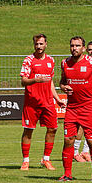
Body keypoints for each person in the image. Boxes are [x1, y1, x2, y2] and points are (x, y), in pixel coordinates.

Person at [58, 36, 92, 182]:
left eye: (77, 46)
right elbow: (62, 82)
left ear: (83, 48)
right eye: (72, 46)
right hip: (72, 108)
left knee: (91, 140)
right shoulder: (65, 63)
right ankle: (67, 174)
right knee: (68, 139)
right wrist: (63, 87)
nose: (74, 48)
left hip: (89, 108)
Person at [20, 34, 66, 172]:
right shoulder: (29, 60)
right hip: (32, 102)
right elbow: (23, 81)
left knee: (53, 129)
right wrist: (35, 80)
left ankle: (46, 159)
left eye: (41, 44)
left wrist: (57, 99)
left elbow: (50, 82)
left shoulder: (51, 60)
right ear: (34, 45)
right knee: (28, 130)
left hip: (47, 102)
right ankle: (25, 161)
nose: (38, 46)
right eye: (36, 44)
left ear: (46, 44)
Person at [73, 41, 92, 163]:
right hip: (84, 99)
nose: (91, 52)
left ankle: (85, 151)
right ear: (86, 50)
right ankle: (75, 152)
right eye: (89, 49)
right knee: (80, 126)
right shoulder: (82, 62)